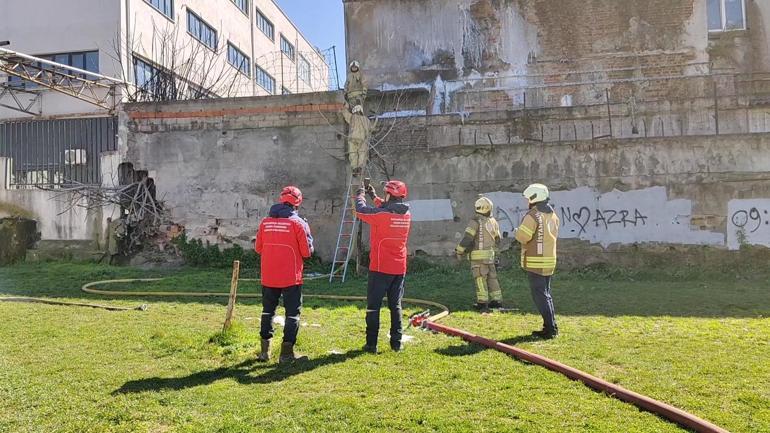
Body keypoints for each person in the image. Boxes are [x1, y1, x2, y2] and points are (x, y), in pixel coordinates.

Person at [254, 186, 314, 363]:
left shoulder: (265, 222)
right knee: (292, 314)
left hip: (269, 276)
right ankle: (286, 354)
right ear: (297, 202)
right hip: (291, 277)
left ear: (281, 200)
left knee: (267, 312)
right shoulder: (298, 223)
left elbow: (258, 248)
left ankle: (265, 352)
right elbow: (307, 252)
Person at [355, 180, 411, 353]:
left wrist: (360, 195)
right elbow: (386, 207)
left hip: (380, 267)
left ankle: (371, 344)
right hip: (399, 267)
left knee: (374, 306)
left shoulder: (382, 216)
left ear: (390, 195)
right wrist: (374, 196)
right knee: (396, 306)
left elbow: (361, 211)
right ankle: (396, 343)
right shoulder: (406, 214)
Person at [514, 183, 560, 339]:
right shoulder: (553, 215)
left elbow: (523, 237)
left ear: (534, 198)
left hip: (536, 262)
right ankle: (550, 326)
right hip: (549, 260)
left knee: (540, 295)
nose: (527, 201)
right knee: (546, 294)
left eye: (528, 198)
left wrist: (517, 231)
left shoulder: (532, 216)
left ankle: (551, 329)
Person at [455, 196, 503, 312]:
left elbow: (468, 238)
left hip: (478, 258)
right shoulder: (493, 221)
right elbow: (498, 239)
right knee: (492, 278)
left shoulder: (475, 221)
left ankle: (482, 303)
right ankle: (497, 301)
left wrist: (459, 250)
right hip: (490, 256)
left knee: (480, 279)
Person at [342, 104, 371, 177]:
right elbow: (370, 130)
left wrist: (345, 107)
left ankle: (355, 168)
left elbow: (345, 113)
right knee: (362, 154)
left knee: (353, 154)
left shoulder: (352, 117)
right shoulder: (367, 120)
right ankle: (360, 168)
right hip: (363, 140)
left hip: (353, 139)